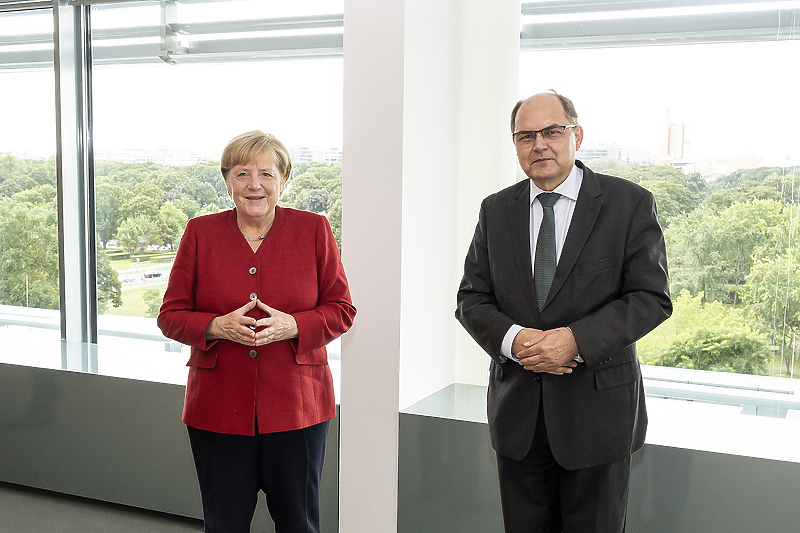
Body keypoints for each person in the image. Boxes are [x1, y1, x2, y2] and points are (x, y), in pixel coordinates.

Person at [455, 91, 671, 533]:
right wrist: (515, 340)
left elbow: (651, 298)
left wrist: (575, 341)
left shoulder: (628, 203)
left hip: (598, 417)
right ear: (515, 145)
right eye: (525, 136)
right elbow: (471, 298)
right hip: (519, 419)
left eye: (552, 131)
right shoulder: (495, 210)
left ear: (577, 134)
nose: (540, 145)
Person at [158, 130, 356, 533]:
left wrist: (294, 325)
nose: (254, 185)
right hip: (217, 409)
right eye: (242, 173)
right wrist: (216, 326)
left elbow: (342, 310)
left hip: (298, 408)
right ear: (227, 179)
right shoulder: (200, 232)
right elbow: (171, 315)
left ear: (283, 179)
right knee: (224, 524)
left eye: (266, 173)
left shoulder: (314, 229)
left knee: (299, 524)